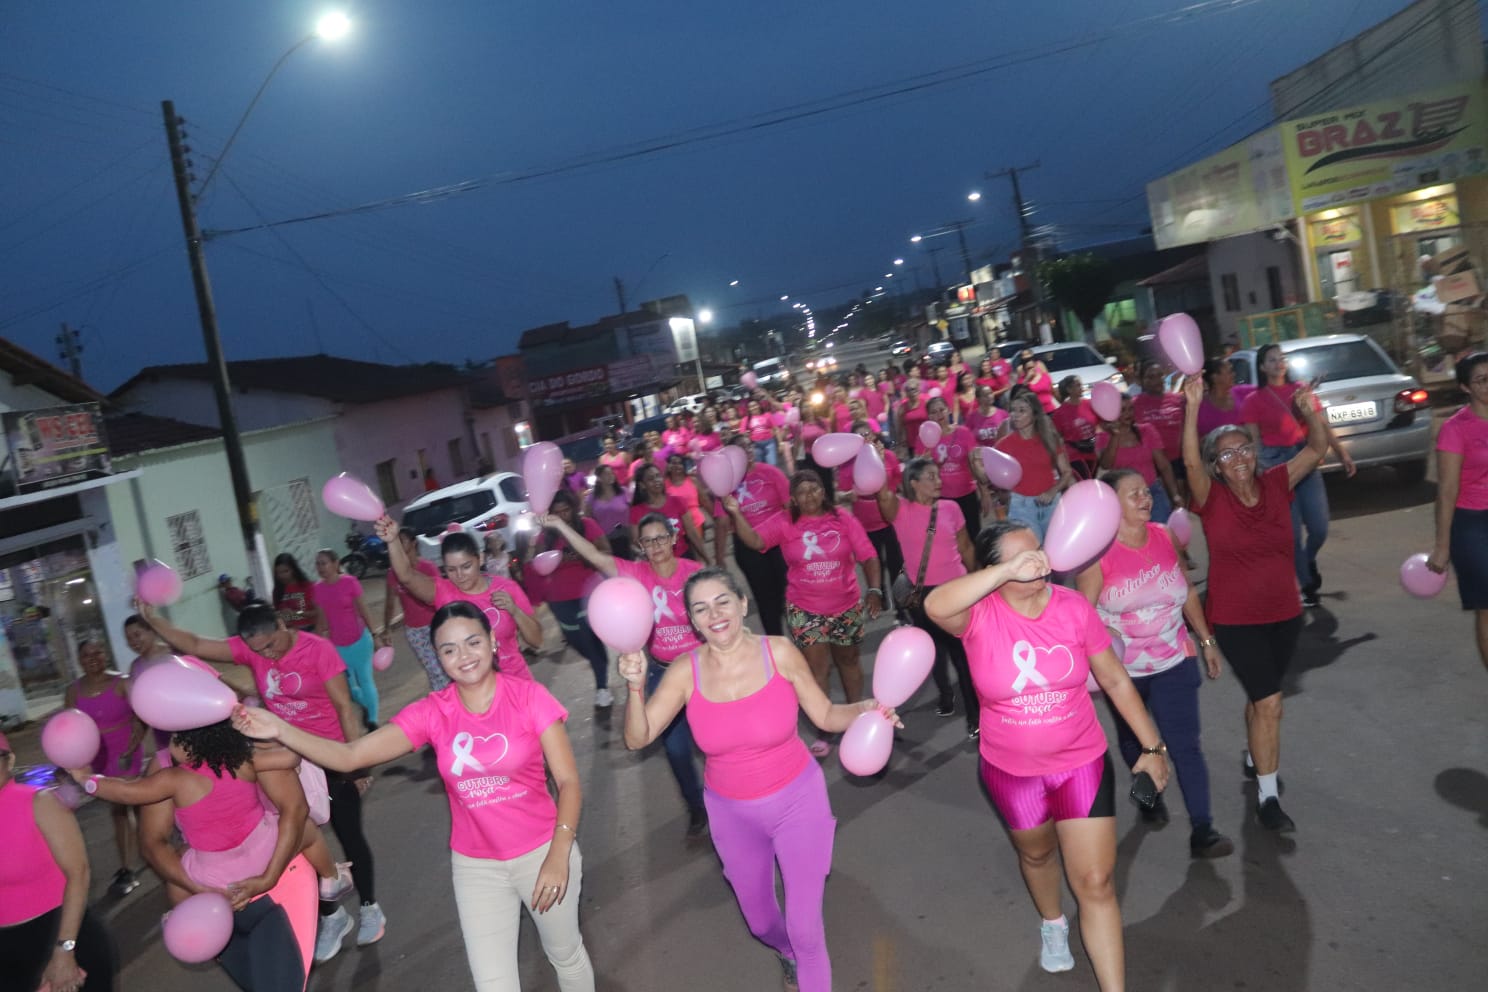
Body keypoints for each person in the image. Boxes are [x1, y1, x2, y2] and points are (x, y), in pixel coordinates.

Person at [235, 602, 595, 992]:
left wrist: (559, 854)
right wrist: (280, 730)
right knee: (493, 984)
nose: (464, 656)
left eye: (473, 642)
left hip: (542, 853)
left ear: (492, 642)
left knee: (565, 954)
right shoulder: (433, 713)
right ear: (438, 658)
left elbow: (568, 781)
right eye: (449, 649)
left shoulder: (529, 697)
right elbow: (350, 755)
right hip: (476, 868)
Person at [616, 568, 899, 992]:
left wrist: (868, 709)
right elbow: (638, 737)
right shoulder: (683, 671)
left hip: (798, 802)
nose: (714, 614)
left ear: (743, 604)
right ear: (692, 621)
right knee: (762, 921)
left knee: (806, 931)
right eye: (701, 608)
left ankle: (803, 962)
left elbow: (824, 715)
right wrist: (635, 688)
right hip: (731, 814)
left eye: (723, 601)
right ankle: (784, 953)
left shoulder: (779, 652)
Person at [925, 522, 1170, 989]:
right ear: (993, 571)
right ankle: (1053, 923)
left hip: (1082, 763)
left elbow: (1116, 680)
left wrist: (1153, 747)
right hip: (1012, 772)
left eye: (1036, 551)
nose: (1035, 562)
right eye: (1019, 559)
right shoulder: (977, 614)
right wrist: (1003, 575)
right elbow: (935, 604)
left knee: (1096, 882)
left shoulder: (1073, 607)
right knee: (1037, 857)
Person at [140, 602, 386, 962]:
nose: (266, 655)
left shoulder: (319, 650)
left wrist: (355, 763)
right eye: (257, 651)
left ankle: (369, 906)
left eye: (271, 645)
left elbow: (345, 706)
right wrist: (152, 618)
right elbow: (193, 643)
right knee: (289, 839)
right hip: (278, 754)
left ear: (282, 623)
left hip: (328, 755)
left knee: (348, 833)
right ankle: (332, 916)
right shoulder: (250, 650)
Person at [69, 721, 341, 991]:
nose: (170, 743)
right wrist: (282, 736)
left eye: (177, 738)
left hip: (216, 873)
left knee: (179, 871)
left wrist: (88, 781)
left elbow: (127, 792)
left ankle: (179, 914)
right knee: (304, 829)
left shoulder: (174, 780)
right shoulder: (244, 760)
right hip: (262, 852)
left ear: (190, 746)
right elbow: (290, 756)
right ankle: (332, 875)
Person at [1184, 373, 1327, 832]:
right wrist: (1191, 407)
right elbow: (1187, 463)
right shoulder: (1211, 498)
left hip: (1285, 614)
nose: (1238, 457)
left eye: (1243, 448)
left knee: (1260, 697)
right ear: (1216, 465)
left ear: (1255, 451)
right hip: (1235, 619)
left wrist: (1311, 411)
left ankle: (1255, 753)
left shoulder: (1276, 482)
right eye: (1226, 453)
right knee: (1270, 703)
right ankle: (1268, 798)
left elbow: (1316, 449)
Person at [1075, 469, 1233, 858]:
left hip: (1174, 659)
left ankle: (1203, 829)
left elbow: (1186, 592)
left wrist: (1206, 639)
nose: (1145, 498)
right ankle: (1149, 796)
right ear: (1112, 505)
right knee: (1134, 741)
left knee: (1185, 745)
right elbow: (1083, 616)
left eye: (1145, 492)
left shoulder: (1164, 535)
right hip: (1123, 672)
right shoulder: (1096, 556)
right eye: (1133, 495)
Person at [544, 510, 708, 836]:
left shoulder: (696, 573)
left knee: (715, 742)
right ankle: (696, 806)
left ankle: (728, 800)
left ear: (674, 538)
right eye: (649, 540)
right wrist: (559, 524)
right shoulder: (635, 574)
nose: (657, 545)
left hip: (704, 670)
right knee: (676, 750)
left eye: (662, 537)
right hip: (662, 674)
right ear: (640, 546)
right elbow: (593, 555)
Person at [726, 470, 882, 757]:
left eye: (814, 490)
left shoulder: (843, 519)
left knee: (848, 661)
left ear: (823, 491)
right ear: (793, 498)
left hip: (845, 605)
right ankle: (825, 727)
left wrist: (875, 590)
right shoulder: (785, 522)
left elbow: (868, 555)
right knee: (816, 669)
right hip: (805, 608)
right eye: (801, 492)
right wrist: (736, 514)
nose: (809, 496)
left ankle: (855, 714)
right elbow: (757, 542)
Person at [0, 730, 118, 992]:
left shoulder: (39, 802)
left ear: (9, 761)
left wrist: (65, 950)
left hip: (60, 938)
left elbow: (79, 873)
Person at [1241, 342, 1356, 607]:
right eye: (1271, 360)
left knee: (1319, 528)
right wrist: (1255, 473)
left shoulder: (1301, 391)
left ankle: (1307, 560)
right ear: (1261, 366)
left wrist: (1342, 453)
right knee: (1291, 533)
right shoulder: (1253, 401)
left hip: (1305, 457)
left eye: (1280, 358)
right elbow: (1254, 441)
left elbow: (1322, 425)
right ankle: (1306, 586)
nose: (1278, 363)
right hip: (1274, 464)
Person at [876, 458, 981, 738]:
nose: (939, 481)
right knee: (933, 650)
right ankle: (946, 698)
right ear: (913, 483)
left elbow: (967, 547)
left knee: (962, 655)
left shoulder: (951, 508)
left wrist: (981, 582)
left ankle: (975, 717)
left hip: (956, 591)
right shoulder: (900, 509)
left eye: (938, 476)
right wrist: (875, 459)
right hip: (921, 594)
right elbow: (882, 494)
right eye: (931, 476)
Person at [377, 527, 540, 682]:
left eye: (466, 566)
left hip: (517, 681)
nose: (460, 576)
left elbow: (536, 640)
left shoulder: (507, 588)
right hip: (475, 692)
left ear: (480, 558)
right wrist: (392, 541)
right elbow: (406, 576)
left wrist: (515, 611)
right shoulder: (443, 591)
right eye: (451, 570)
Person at [64, 639, 145, 896]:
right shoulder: (73, 692)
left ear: (105, 655)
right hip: (96, 757)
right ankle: (138, 857)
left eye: (98, 652)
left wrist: (131, 748)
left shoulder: (121, 682)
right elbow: (68, 729)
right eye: (87, 654)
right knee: (123, 810)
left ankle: (131, 865)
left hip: (124, 752)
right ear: (80, 660)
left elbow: (142, 717)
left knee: (124, 808)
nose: (93, 658)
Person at [1427, 351, 1488, 671]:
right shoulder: (1455, 428)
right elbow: (1447, 491)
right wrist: (1442, 545)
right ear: (1466, 387)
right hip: (1472, 523)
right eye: (1482, 380)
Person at [529, 488, 615, 707]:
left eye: (566, 511)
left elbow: (605, 551)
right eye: (557, 513)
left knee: (589, 635)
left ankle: (602, 687)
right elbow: (538, 564)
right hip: (559, 598)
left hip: (589, 592)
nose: (562, 516)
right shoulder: (545, 536)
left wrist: (583, 554)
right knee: (578, 642)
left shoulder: (587, 526)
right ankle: (599, 662)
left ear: (573, 510)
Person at [713, 435, 792, 636]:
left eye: (749, 446)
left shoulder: (771, 473)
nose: (747, 450)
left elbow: (790, 507)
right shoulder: (725, 484)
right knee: (765, 598)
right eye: (741, 448)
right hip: (748, 548)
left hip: (780, 542)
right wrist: (719, 557)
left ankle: (802, 638)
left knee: (790, 591)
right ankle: (776, 644)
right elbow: (721, 522)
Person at [313, 549, 390, 726]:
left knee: (365, 680)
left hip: (360, 642)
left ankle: (372, 720)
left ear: (335, 563)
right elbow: (321, 621)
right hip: (338, 647)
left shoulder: (349, 582)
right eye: (317, 564)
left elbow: (363, 609)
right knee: (350, 688)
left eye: (323, 563)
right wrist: (313, 647)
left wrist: (375, 635)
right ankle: (367, 706)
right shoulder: (318, 589)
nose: (320, 567)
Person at [837, 420, 905, 619]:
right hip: (865, 525)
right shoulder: (848, 464)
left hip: (891, 520)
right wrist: (850, 494)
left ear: (874, 435)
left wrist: (882, 462)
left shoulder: (889, 457)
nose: (865, 438)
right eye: (859, 436)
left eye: (867, 433)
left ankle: (902, 610)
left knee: (897, 566)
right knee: (875, 565)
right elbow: (840, 494)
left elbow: (898, 486)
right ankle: (880, 595)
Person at [993, 392, 1075, 542]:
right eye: (1013, 410)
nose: (1015, 415)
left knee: (1055, 549)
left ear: (1035, 414)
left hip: (1051, 503)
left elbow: (1066, 471)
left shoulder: (1049, 439)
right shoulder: (1004, 445)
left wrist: (1053, 491)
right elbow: (992, 476)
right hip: (1021, 506)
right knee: (1032, 553)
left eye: (1022, 410)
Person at [1096, 395, 1180, 524]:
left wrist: (1175, 494)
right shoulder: (1104, 437)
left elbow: (1164, 466)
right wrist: (1115, 436)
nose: (1128, 413)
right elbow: (1106, 464)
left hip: (1151, 492)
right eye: (1123, 410)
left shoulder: (1147, 430)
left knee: (1161, 533)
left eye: (1130, 409)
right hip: (1125, 498)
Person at [385, 526, 447, 692]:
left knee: (446, 666)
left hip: (435, 625)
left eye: (402, 540)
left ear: (413, 543)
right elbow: (390, 602)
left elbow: (442, 595)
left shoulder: (428, 568)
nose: (398, 544)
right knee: (433, 670)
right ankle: (444, 704)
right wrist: (386, 629)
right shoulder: (393, 574)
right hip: (414, 630)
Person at [917, 395, 990, 535]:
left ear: (949, 410)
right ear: (928, 416)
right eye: (933, 412)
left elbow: (975, 464)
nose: (939, 414)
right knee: (948, 537)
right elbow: (919, 473)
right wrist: (925, 464)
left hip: (967, 495)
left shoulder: (963, 432)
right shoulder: (923, 438)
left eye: (941, 410)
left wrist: (985, 493)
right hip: (940, 497)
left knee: (973, 535)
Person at [630, 462, 709, 564]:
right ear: (642, 485)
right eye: (651, 479)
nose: (657, 481)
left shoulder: (677, 501)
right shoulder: (636, 512)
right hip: (659, 564)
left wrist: (707, 559)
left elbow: (692, 533)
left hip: (684, 559)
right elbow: (636, 542)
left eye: (658, 476)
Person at [123, 612, 174, 753]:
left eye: (137, 635)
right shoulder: (135, 667)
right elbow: (140, 709)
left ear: (151, 630)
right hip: (162, 734)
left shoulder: (173, 653)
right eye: (129, 638)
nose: (133, 642)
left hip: (190, 724)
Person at [1050, 376, 1100, 479]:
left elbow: (1100, 424)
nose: (1081, 388)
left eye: (1081, 385)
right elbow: (1056, 437)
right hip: (1074, 453)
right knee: (1085, 480)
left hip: (1092, 449)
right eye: (1078, 385)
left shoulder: (1090, 404)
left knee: (1093, 479)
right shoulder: (1060, 413)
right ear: (1069, 389)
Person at [584, 462, 633, 561]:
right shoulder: (592, 497)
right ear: (599, 478)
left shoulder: (623, 492)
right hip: (605, 540)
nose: (611, 476)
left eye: (612, 473)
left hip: (626, 537)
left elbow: (634, 513)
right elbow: (587, 520)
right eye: (606, 474)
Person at [1197, 356, 1254, 437]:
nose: (1234, 374)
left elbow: (1264, 390)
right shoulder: (1199, 407)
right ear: (1215, 377)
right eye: (1229, 372)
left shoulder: (1242, 392)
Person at [270, 553, 318, 632]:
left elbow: (317, 612)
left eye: (285, 571)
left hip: (311, 629)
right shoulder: (277, 591)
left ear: (294, 569)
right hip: (289, 632)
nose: (282, 576)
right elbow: (278, 613)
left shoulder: (308, 586)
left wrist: (296, 613)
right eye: (278, 573)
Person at [745, 398, 781, 466]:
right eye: (751, 407)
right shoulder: (746, 419)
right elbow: (743, 434)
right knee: (760, 466)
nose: (753, 408)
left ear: (759, 405)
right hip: (755, 445)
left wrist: (780, 443)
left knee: (772, 464)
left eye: (755, 405)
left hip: (769, 443)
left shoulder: (767, 415)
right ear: (749, 409)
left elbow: (776, 429)